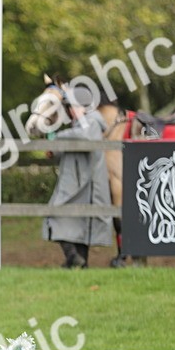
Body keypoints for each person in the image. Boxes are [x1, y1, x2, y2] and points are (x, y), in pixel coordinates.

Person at [42, 82, 113, 268]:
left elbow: (85, 137)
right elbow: (71, 147)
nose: (70, 111)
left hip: (86, 184)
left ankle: (75, 258)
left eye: (73, 106)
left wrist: (57, 138)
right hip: (76, 182)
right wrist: (54, 150)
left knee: (58, 215)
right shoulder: (80, 123)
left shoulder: (92, 120)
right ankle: (78, 262)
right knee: (72, 221)